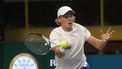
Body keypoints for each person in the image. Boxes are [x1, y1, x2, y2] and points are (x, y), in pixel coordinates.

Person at [49, 6, 114, 69]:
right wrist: (64, 48)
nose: (69, 19)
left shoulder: (81, 29)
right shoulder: (55, 33)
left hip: (81, 66)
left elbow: (99, 46)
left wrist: (103, 41)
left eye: (71, 16)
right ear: (59, 19)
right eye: (66, 17)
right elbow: (58, 54)